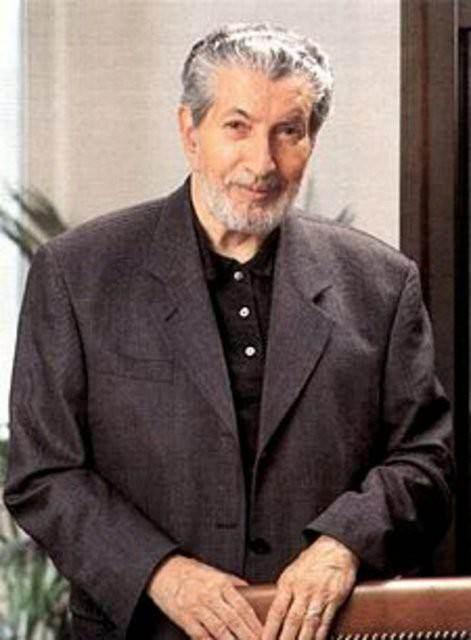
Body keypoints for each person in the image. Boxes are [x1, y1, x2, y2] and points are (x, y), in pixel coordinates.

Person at [4, 22, 453, 640]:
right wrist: (161, 574)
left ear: (312, 139)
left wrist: (344, 545)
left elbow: (425, 462)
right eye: (237, 126)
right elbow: (43, 474)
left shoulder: (382, 283)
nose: (262, 163)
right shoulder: (76, 273)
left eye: (288, 131)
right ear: (190, 132)